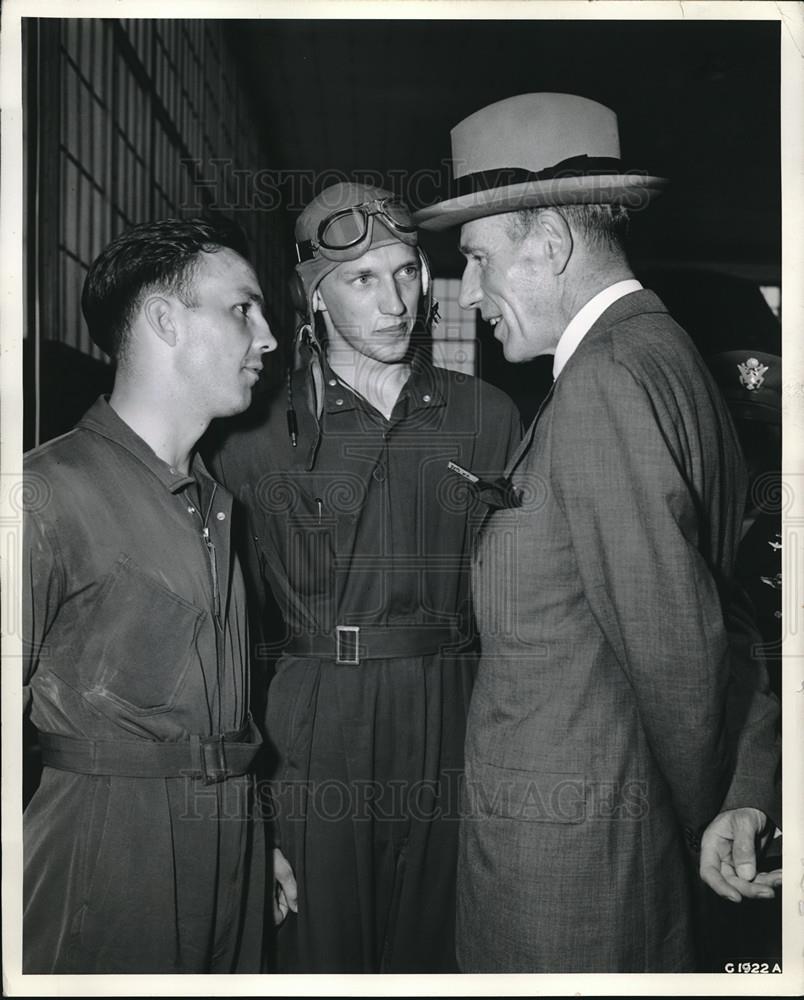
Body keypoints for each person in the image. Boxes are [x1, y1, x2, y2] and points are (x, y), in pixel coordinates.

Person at [414, 92, 781, 972]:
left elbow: (678, 647)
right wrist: (740, 788)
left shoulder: (604, 385)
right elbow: (719, 615)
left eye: (476, 257)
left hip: (571, 869)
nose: (468, 290)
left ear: (549, 241)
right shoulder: (663, 354)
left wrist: (694, 820)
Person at [205, 182, 521, 972]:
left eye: (406, 273)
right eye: (362, 280)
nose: (396, 304)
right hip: (318, 719)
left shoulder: (487, 417)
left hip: (455, 704)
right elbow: (225, 639)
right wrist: (247, 805)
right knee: (321, 950)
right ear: (314, 295)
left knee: (442, 946)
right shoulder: (252, 436)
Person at [22, 216, 282, 973]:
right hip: (103, 861)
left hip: (229, 845)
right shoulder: (43, 493)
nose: (266, 337)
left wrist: (253, 843)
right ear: (166, 320)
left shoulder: (215, 501)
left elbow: (224, 713)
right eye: (242, 309)